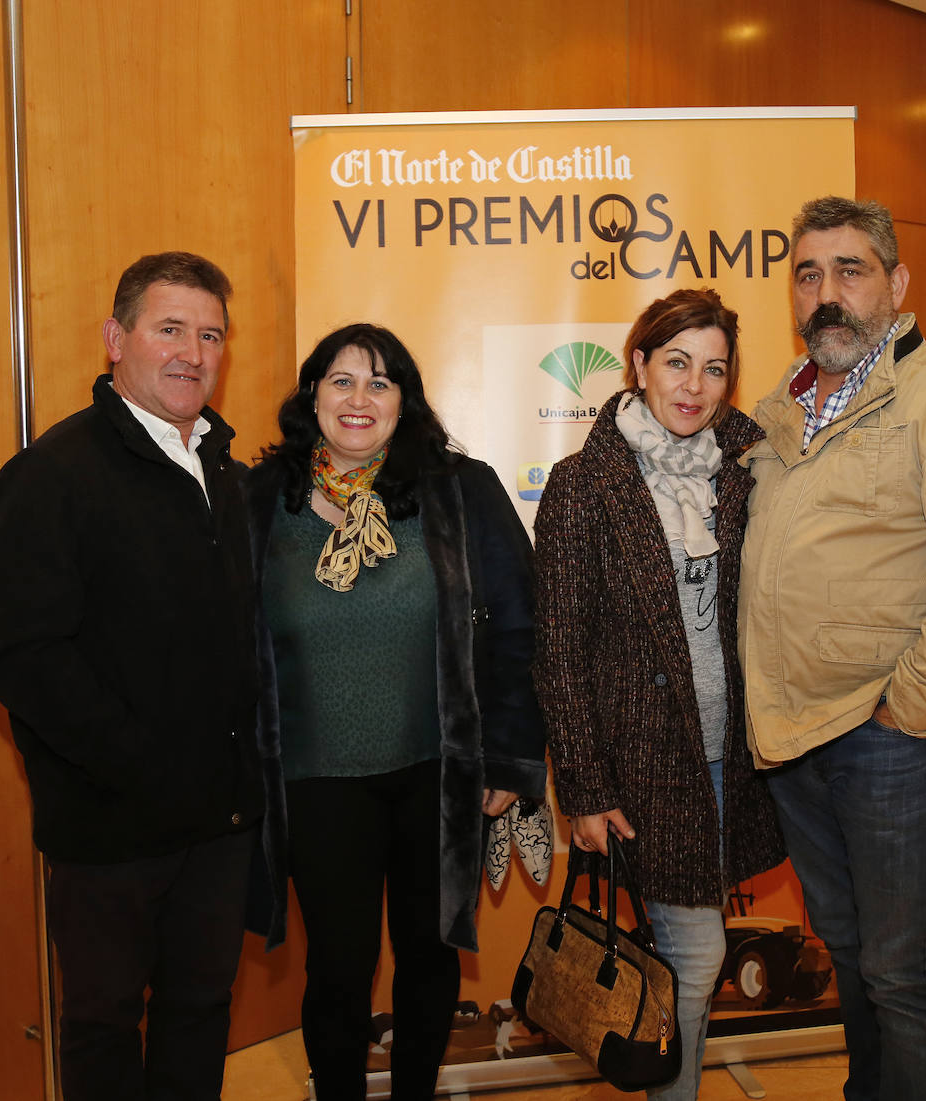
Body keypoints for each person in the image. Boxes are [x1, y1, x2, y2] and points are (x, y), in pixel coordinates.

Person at [737, 196, 926, 1101]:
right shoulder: (779, 408)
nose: (827, 292)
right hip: (793, 736)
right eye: (807, 273)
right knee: (853, 953)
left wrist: (909, 709)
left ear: (897, 283)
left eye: (850, 270)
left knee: (903, 972)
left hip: (888, 733)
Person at [0, 252, 261, 1101]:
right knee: (103, 1029)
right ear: (115, 338)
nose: (192, 352)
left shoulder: (231, 476)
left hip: (219, 825)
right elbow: (21, 653)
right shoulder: (54, 473)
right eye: (169, 328)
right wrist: (136, 761)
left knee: (200, 1011)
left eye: (210, 335)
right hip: (109, 828)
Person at [244, 323, 547, 1101]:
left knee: (429, 954)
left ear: (405, 401)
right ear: (311, 393)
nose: (359, 398)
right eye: (341, 380)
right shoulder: (256, 498)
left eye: (380, 382)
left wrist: (511, 757)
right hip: (314, 781)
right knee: (337, 967)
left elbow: (520, 624)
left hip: (437, 774)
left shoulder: (460, 488)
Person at [532, 287, 787, 1100]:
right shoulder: (584, 485)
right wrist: (586, 787)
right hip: (646, 765)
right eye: (677, 361)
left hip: (736, 757)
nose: (695, 386)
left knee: (689, 956)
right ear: (638, 364)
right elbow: (559, 650)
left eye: (715, 368)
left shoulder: (748, 472)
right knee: (700, 955)